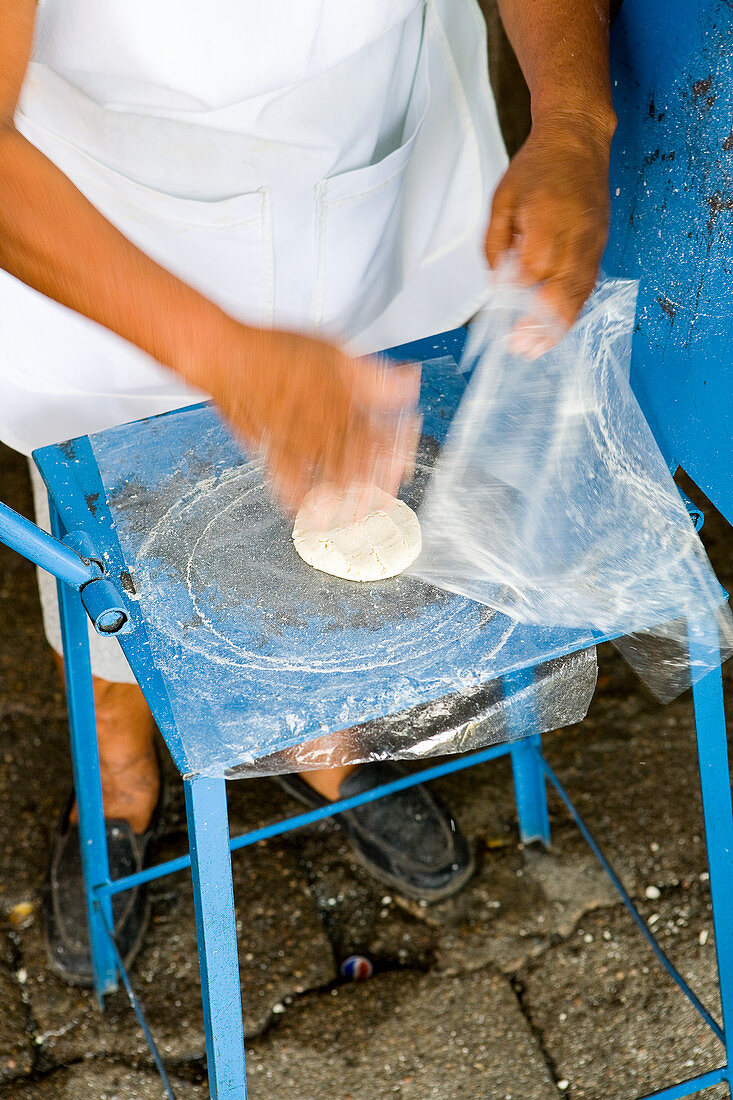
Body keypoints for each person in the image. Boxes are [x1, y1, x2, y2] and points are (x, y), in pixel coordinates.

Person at [0, 0, 617, 983]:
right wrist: (225, 357)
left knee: (342, 470)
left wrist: (574, 118)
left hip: (370, 144)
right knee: (111, 507)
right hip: (103, 195)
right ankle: (115, 754)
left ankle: (315, 726)